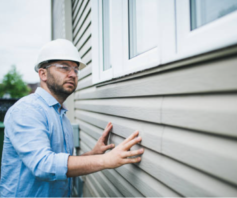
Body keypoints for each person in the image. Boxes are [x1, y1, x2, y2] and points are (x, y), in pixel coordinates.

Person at [0, 39, 144, 198]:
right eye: (64, 67)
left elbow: (61, 164)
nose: (72, 74)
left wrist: (93, 154)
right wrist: (105, 160)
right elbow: (44, 165)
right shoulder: (27, 110)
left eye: (75, 69)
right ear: (43, 73)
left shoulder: (61, 116)